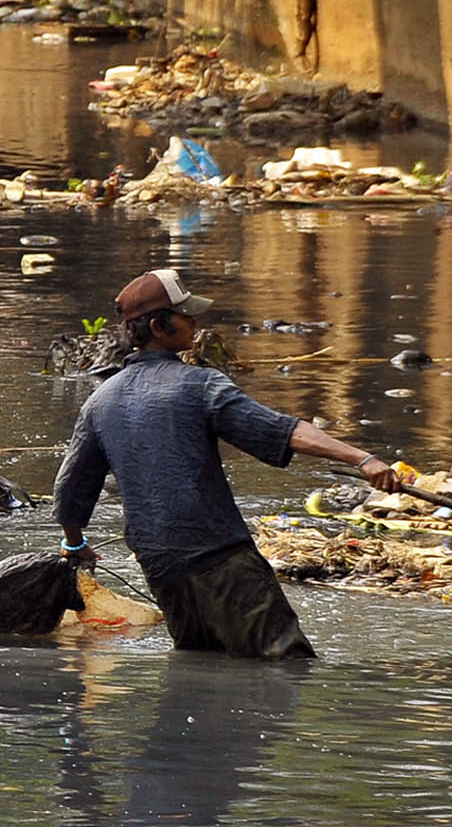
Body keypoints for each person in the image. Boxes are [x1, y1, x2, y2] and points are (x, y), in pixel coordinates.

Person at [55, 268, 402, 659]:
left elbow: (70, 491)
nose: (194, 322)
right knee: (287, 664)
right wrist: (363, 458)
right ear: (158, 326)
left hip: (160, 566)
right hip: (220, 557)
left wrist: (75, 543)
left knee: (199, 663)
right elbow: (280, 431)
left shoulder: (99, 402)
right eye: (185, 315)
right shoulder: (199, 384)